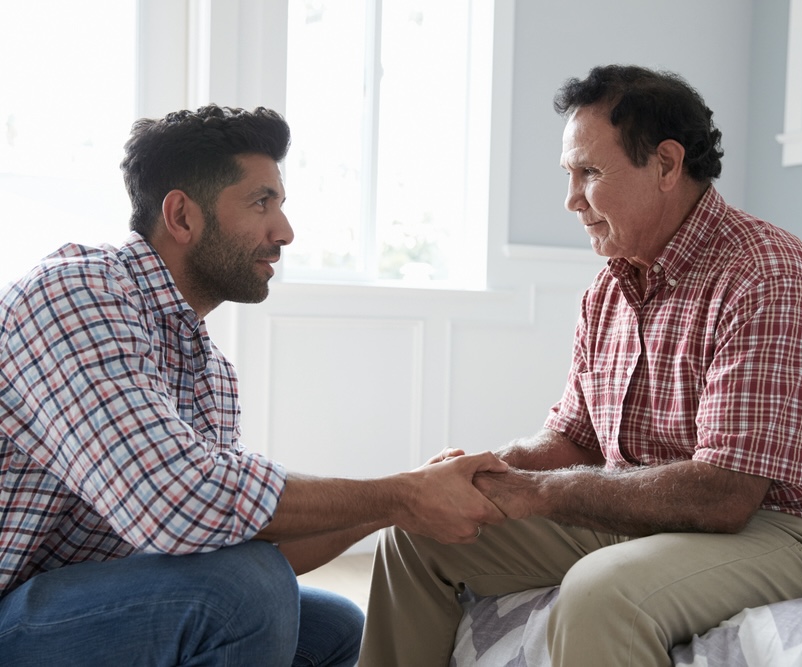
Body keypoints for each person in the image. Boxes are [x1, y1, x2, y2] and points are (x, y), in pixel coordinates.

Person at [358, 65, 802, 666]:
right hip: (646, 509)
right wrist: (485, 472)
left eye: (590, 173)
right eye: (569, 174)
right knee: (417, 535)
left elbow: (726, 496)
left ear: (666, 164)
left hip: (784, 528)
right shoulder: (610, 287)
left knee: (602, 594)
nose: (571, 199)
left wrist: (539, 493)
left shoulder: (769, 275)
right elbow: (574, 437)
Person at [0, 104, 507, 666]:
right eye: (261, 202)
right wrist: (400, 492)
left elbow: (242, 535)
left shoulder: (206, 369)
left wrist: (403, 502)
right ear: (182, 216)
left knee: (331, 626)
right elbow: (177, 500)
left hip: (78, 603)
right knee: (240, 590)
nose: (284, 232)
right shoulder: (76, 295)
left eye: (281, 205)